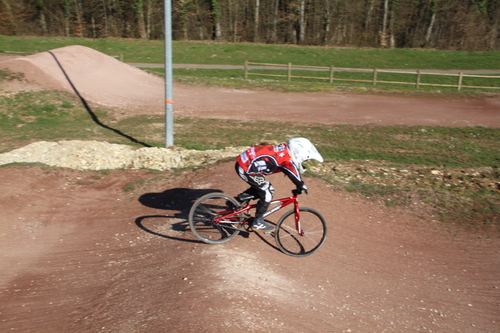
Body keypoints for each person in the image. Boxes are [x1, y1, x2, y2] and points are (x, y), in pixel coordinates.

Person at [233, 137, 323, 231]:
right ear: (299, 153)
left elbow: (292, 169)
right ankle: (258, 221)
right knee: (267, 191)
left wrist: (299, 184)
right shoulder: (285, 159)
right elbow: (292, 172)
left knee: (263, 187)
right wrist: (301, 185)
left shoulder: (285, 151)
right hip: (245, 168)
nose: (304, 162)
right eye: (304, 160)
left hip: (245, 163)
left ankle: (236, 201)